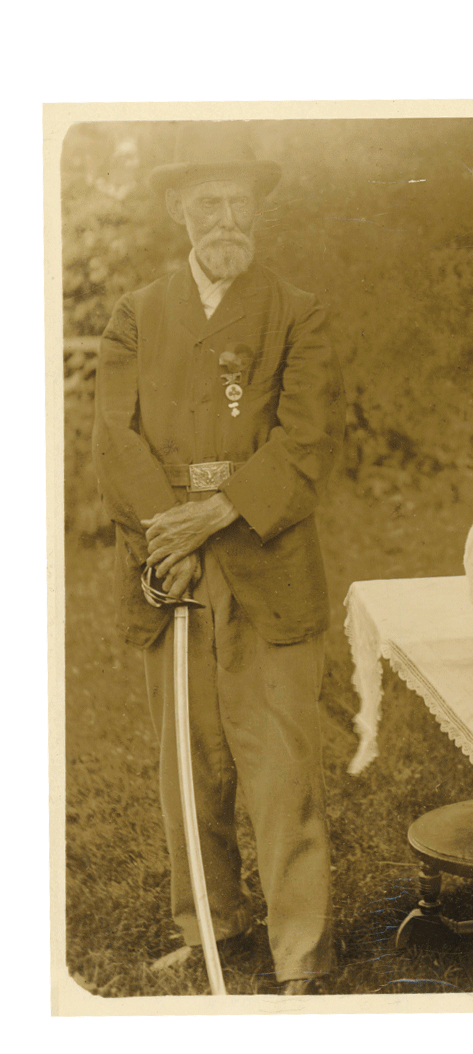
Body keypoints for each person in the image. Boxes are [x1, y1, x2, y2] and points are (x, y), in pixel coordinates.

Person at [92, 122, 345, 993]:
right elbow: (113, 437)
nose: (228, 220)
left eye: (242, 205)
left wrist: (216, 514)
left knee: (281, 763)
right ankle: (209, 926)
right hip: (170, 563)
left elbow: (308, 442)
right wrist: (169, 529)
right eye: (210, 204)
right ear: (177, 212)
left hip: (266, 559)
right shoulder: (136, 314)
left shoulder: (297, 311)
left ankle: (301, 951)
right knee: (189, 761)